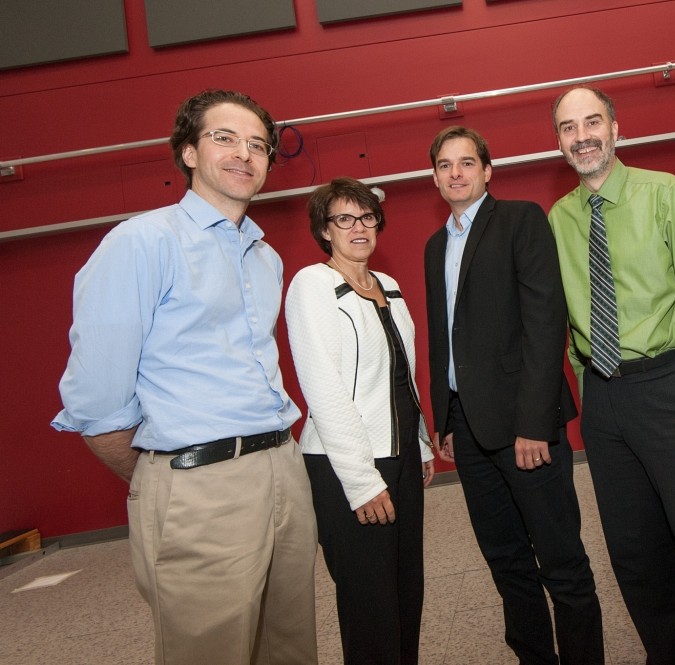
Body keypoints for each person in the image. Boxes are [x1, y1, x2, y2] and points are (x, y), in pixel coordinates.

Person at [52, 89, 318, 665]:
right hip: (199, 487)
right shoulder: (141, 244)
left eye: (257, 145)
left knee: (289, 648)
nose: (243, 154)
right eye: (224, 138)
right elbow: (97, 403)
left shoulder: (265, 258)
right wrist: (164, 478)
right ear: (188, 153)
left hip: (283, 472)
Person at [548, 86, 675, 665]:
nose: (582, 135)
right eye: (568, 127)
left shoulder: (665, 193)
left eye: (592, 122)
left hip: (670, 387)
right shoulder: (560, 218)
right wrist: (590, 396)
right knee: (636, 559)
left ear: (616, 128)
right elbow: (566, 318)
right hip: (605, 400)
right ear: (558, 140)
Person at [424, 126, 604, 665]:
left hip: (525, 429)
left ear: (487, 171)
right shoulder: (436, 246)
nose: (455, 173)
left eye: (466, 163)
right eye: (444, 165)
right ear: (434, 176)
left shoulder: (521, 220)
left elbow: (546, 323)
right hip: (469, 429)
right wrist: (445, 417)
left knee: (561, 562)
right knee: (506, 562)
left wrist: (534, 423)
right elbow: (445, 340)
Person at [285, 177, 435, 665]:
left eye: (367, 217)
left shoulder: (386, 285)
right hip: (346, 465)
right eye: (344, 219)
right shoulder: (312, 284)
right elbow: (324, 388)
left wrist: (420, 444)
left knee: (405, 588)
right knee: (369, 601)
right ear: (324, 230)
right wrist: (360, 480)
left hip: (400, 457)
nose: (358, 228)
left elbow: (399, 372)